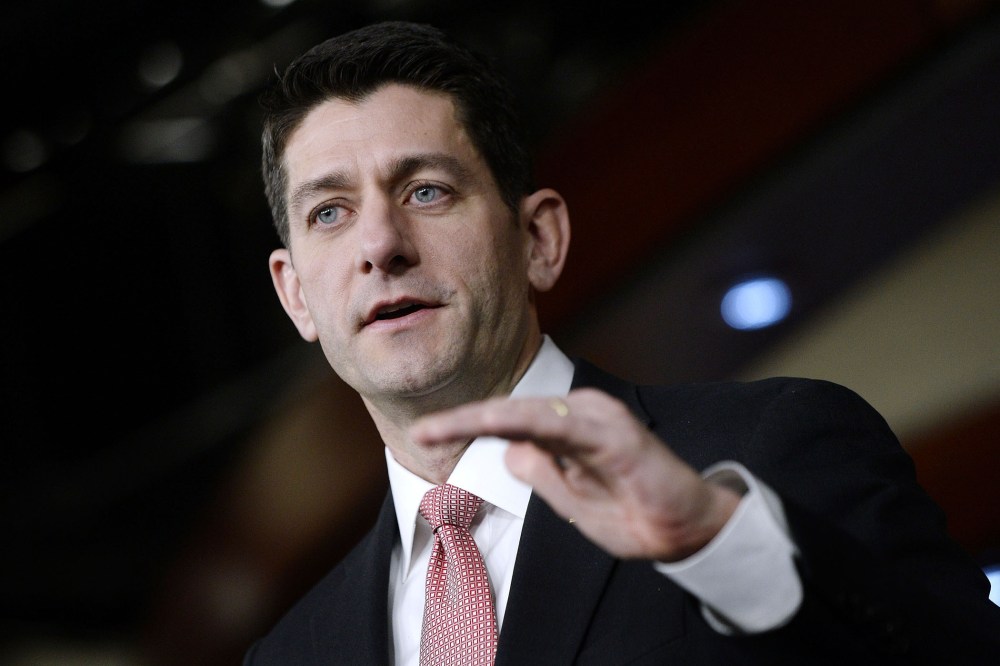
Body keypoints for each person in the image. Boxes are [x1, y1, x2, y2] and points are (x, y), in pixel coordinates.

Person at [243, 20, 1000, 665]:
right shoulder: (291, 652)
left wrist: (725, 551)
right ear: (295, 294)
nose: (380, 242)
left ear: (539, 238)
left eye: (426, 191)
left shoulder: (767, 455)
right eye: (330, 213)